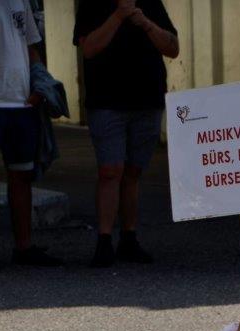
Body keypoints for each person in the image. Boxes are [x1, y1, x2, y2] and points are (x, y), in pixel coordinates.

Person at [73, 0, 179, 267]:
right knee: (110, 171)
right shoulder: (92, 5)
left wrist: (145, 23)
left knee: (133, 172)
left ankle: (128, 238)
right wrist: (119, 16)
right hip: (107, 103)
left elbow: (172, 47)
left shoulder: (150, 3)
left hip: (147, 101)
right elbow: (88, 48)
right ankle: (104, 240)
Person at [0, 0, 60, 266]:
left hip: (20, 102)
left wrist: (40, 85)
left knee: (22, 175)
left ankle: (23, 248)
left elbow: (31, 45)